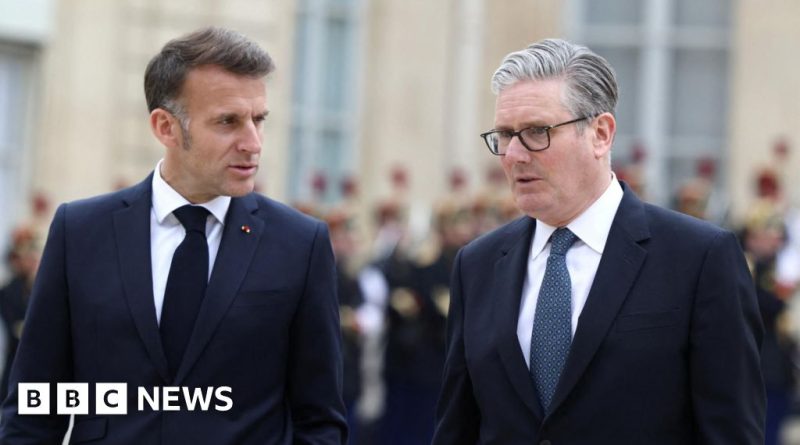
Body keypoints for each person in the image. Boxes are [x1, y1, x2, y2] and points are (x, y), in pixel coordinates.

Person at [0, 27, 347, 444]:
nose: (253, 143)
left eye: (259, 120)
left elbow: (320, 421)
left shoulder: (300, 244)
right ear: (166, 127)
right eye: (228, 121)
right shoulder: (80, 232)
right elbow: (35, 408)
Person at [432, 38, 765, 444]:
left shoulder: (698, 258)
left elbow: (730, 431)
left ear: (601, 134)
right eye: (504, 135)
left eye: (537, 132)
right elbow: (457, 428)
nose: (514, 154)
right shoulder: (477, 264)